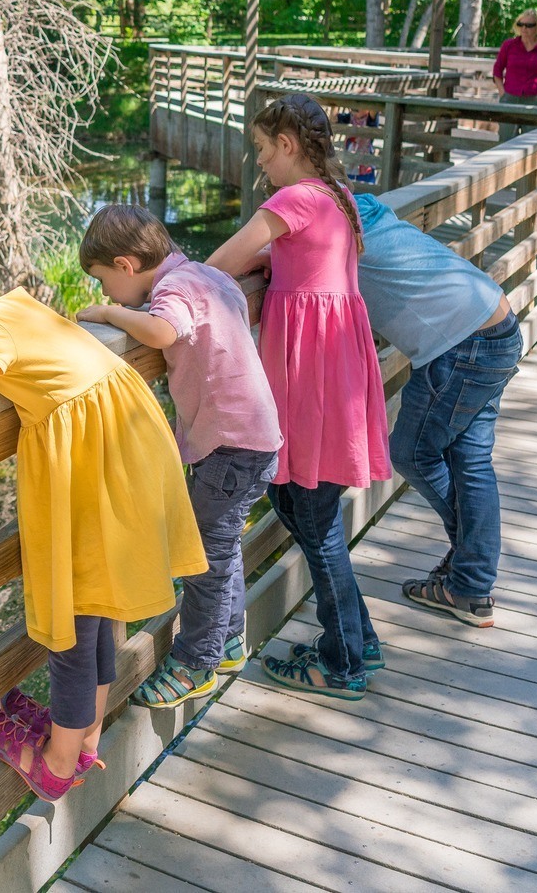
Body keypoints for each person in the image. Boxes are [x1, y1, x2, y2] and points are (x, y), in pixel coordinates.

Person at [0, 269, 205, 799]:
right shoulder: (11, 308)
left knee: (69, 621)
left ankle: (57, 762)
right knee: (93, 607)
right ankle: (85, 736)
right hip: (123, 451)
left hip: (95, 470)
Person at [206, 93, 389, 700]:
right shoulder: (338, 199)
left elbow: (218, 262)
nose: (260, 163)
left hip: (308, 379)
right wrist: (273, 258)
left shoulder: (293, 199)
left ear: (287, 145)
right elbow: (293, 258)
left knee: (312, 518)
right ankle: (358, 639)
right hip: (332, 376)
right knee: (303, 509)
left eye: (262, 149)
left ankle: (342, 663)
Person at [76, 205, 282, 709]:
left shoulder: (172, 292)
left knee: (202, 559)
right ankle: (229, 640)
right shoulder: (208, 275)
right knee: (221, 544)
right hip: (252, 437)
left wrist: (109, 316)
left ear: (126, 265)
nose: (105, 294)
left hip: (232, 446)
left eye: (104, 282)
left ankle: (195, 664)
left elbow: (164, 332)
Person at [354, 193, 520, 628]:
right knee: (471, 461)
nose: (260, 162)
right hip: (496, 322)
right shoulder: (366, 206)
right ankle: (470, 584)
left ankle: (472, 568)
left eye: (264, 150)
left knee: (412, 452)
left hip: (463, 342)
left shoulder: (329, 226)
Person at [493, 9, 537, 140]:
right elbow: (497, 70)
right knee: (506, 141)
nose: (524, 28)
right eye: (520, 24)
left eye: (529, 25)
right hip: (509, 98)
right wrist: (502, 92)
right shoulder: (509, 45)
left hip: (535, 99)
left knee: (532, 142)